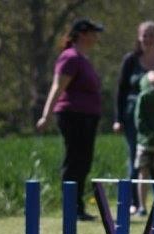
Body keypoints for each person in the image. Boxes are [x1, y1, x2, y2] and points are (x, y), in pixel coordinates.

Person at [36, 19, 105, 221]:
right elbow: (58, 88)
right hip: (73, 116)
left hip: (87, 117)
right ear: (82, 34)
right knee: (74, 161)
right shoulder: (70, 57)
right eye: (93, 32)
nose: (96, 37)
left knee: (83, 161)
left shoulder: (83, 58)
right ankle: (71, 207)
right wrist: (45, 116)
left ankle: (78, 206)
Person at [113, 21, 154, 215]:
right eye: (144, 35)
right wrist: (118, 119)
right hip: (134, 119)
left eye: (151, 35)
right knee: (136, 157)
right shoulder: (130, 60)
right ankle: (136, 203)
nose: (148, 39)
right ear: (139, 37)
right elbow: (121, 91)